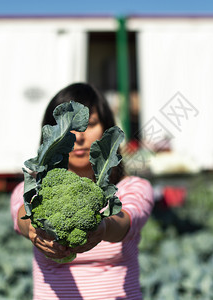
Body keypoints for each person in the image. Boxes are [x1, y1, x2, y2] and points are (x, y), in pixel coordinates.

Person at [10, 83, 154, 299]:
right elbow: (20, 215)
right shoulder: (32, 190)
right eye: (68, 128)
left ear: (105, 129)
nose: (78, 136)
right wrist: (32, 229)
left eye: (90, 124)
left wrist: (104, 227)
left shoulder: (132, 188)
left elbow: (128, 220)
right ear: (52, 136)